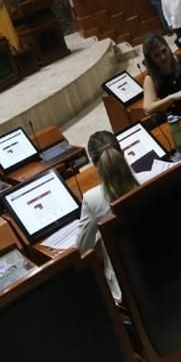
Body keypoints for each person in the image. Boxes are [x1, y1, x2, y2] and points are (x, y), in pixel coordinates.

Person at [76, 130, 139, 303]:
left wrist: (98, 235)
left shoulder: (92, 199)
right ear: (122, 152)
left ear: (94, 164)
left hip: (127, 290)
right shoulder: (148, 178)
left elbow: (82, 249)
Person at [141, 33, 181, 116]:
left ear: (168, 47)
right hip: (177, 116)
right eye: (156, 55)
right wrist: (172, 97)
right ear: (151, 59)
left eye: (164, 50)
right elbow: (148, 109)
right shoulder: (150, 78)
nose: (163, 57)